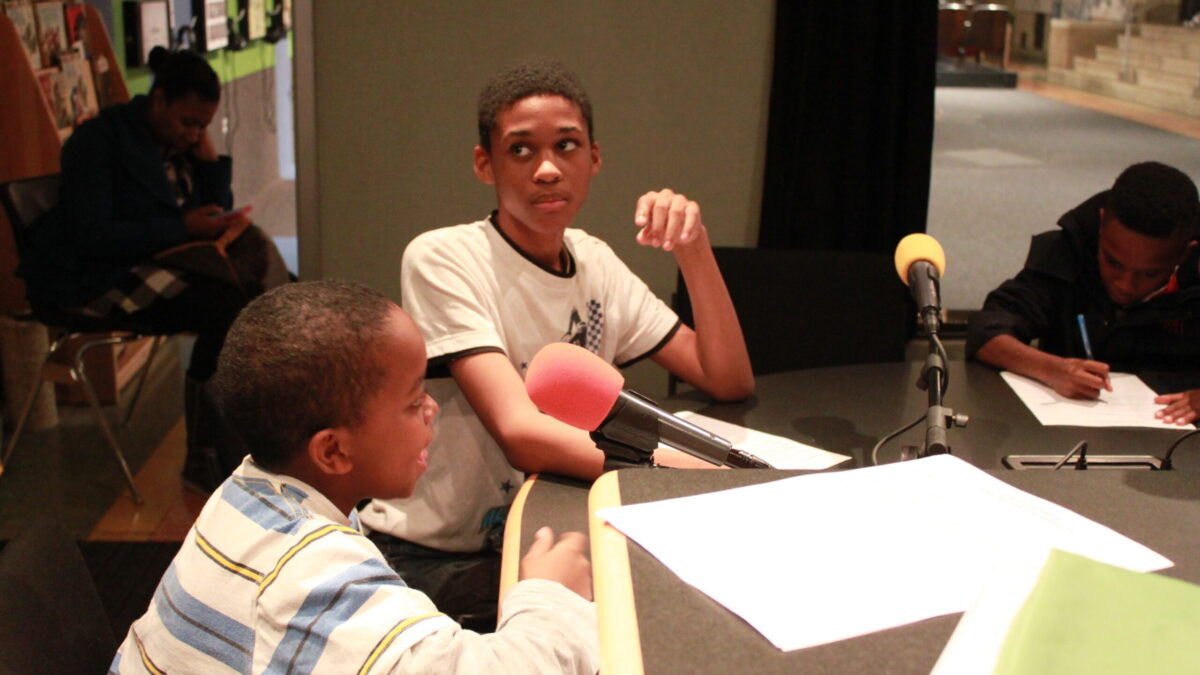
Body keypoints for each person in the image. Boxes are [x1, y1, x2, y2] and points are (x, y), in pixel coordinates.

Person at [361, 58, 754, 621]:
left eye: (566, 146)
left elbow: (727, 377)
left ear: (594, 157)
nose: (547, 169)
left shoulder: (595, 260)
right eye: (521, 150)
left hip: (547, 525)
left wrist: (694, 248)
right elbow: (521, 432)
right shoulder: (443, 256)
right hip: (435, 554)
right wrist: (685, 472)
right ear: (484, 164)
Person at [109, 280, 599, 674]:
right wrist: (549, 595)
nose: (431, 408)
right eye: (412, 402)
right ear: (334, 450)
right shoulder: (306, 575)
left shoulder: (250, 489)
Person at [19, 46, 287, 492]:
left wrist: (206, 158)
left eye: (202, 127)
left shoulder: (173, 142)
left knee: (268, 290)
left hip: (151, 257)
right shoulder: (99, 141)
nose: (192, 134)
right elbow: (93, 235)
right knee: (223, 310)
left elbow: (210, 206)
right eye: (188, 123)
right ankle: (204, 454)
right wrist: (181, 225)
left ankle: (255, 432)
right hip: (92, 276)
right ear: (158, 100)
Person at [967, 161, 1200, 424]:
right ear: (1102, 226)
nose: (1125, 285)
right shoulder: (1070, 251)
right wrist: (1052, 370)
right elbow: (986, 331)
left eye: (1149, 274)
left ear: (1185, 253)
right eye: (1113, 263)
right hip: (1065, 436)